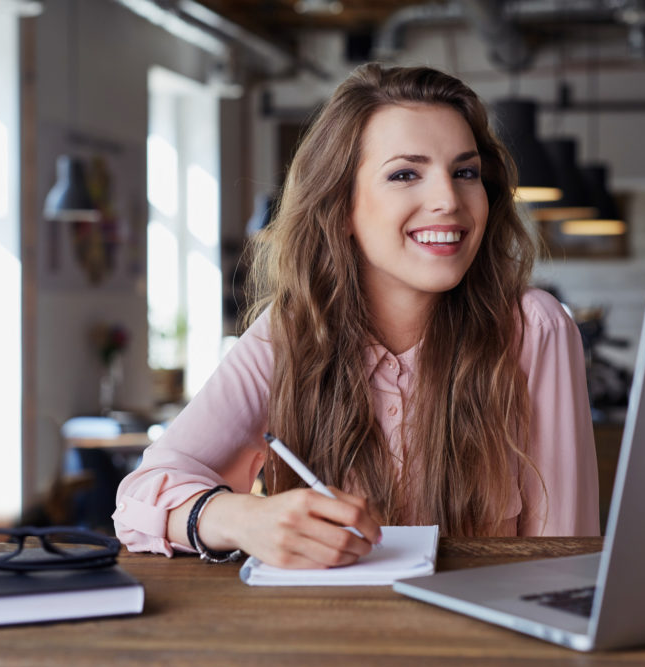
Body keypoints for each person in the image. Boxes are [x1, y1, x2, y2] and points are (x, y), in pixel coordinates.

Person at [113, 63, 599, 570]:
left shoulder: (532, 328)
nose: (448, 200)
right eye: (405, 174)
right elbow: (138, 499)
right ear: (342, 207)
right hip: (326, 638)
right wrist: (242, 519)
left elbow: (562, 562)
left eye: (465, 172)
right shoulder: (290, 335)